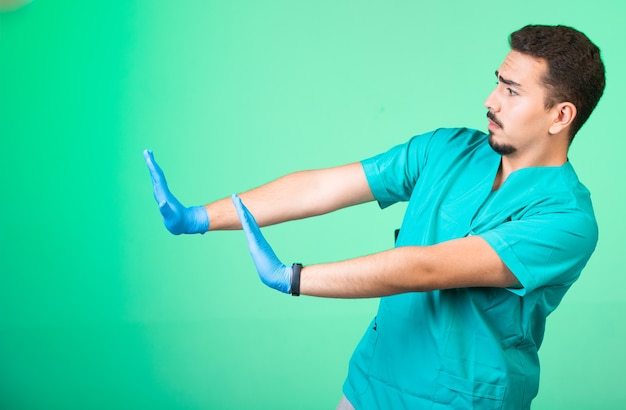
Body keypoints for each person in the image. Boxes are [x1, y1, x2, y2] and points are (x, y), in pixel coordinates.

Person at [144, 24, 605, 409]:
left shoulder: (567, 220)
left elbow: (426, 268)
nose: (490, 99)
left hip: (464, 401)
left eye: (511, 90)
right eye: (497, 81)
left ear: (560, 115)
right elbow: (324, 186)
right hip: (371, 385)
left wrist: (294, 277)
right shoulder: (446, 150)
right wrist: (200, 217)